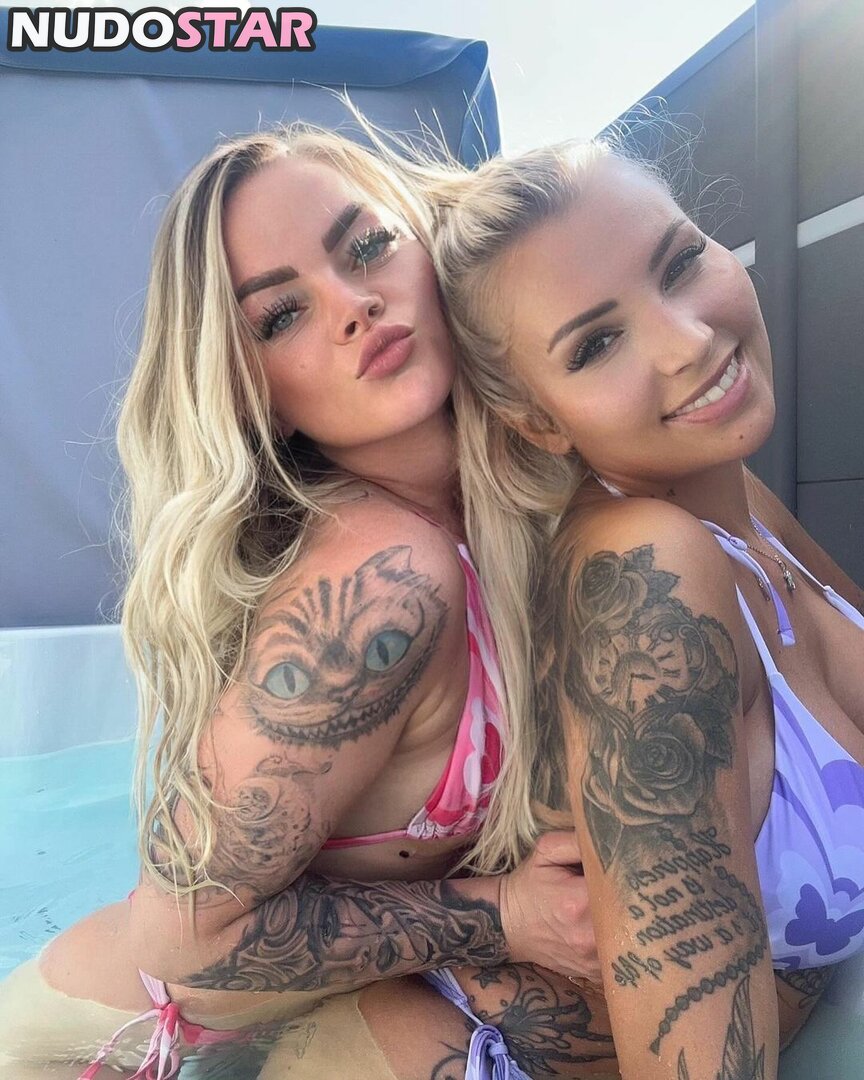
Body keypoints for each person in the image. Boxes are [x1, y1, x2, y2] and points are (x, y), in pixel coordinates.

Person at [0, 124, 620, 1080]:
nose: (352, 304)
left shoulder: (528, 504)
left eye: (367, 246)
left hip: (299, 1016)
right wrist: (505, 913)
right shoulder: (379, 582)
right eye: (282, 314)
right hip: (85, 1045)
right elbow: (184, 937)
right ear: (255, 393)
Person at [432, 138, 864, 1079]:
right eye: (596, 344)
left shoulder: (742, 505)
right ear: (538, 420)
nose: (688, 341)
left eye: (680, 262)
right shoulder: (644, 572)